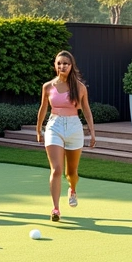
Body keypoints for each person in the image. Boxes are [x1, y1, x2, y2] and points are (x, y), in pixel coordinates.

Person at [36, 50, 96, 222]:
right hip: (54, 127)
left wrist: (92, 132)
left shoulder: (80, 87)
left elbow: (86, 110)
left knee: (72, 172)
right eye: (59, 63)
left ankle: (73, 189)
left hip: (74, 128)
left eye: (66, 64)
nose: (62, 66)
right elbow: (43, 108)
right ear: (55, 65)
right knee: (56, 169)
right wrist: (38, 129)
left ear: (71, 66)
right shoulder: (48, 87)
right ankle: (55, 208)